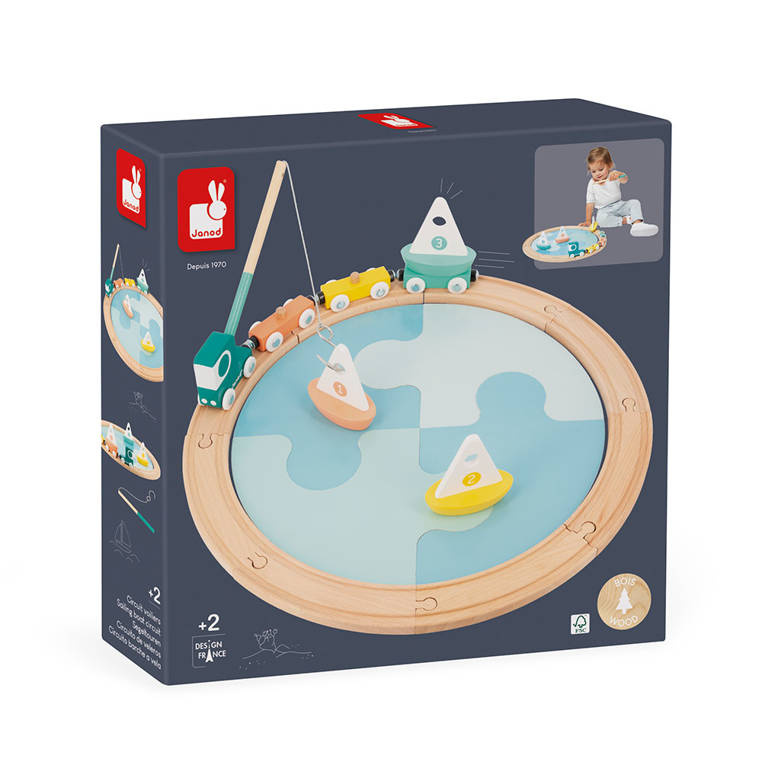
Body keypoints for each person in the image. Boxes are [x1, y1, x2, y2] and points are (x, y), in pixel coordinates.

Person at [583, 147, 658, 237]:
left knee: (634, 202)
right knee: (600, 220)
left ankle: (637, 224)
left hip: (619, 205)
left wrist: (620, 175)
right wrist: (588, 220)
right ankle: (627, 220)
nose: (597, 173)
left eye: (601, 169)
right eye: (593, 171)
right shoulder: (592, 184)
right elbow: (590, 203)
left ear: (609, 165)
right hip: (604, 210)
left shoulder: (613, 175)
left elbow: (625, 179)